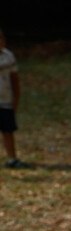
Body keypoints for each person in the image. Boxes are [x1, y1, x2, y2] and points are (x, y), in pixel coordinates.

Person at [0, 27, 23, 169]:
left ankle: (12, 158)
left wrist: (16, 100)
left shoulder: (8, 57)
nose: (1, 41)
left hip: (5, 100)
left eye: (2, 37)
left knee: (8, 130)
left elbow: (14, 80)